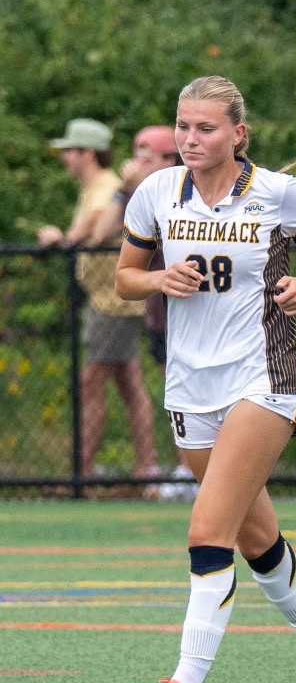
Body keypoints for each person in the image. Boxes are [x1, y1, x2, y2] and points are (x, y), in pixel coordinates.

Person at [121, 77, 296, 683]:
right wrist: (156, 278)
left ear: (238, 134)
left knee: (207, 529)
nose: (190, 139)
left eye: (206, 128)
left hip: (263, 376)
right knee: (256, 536)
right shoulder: (156, 193)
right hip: (189, 383)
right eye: (183, 126)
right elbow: (122, 277)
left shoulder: (277, 191)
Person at [38, 117, 162, 485]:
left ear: (87, 153)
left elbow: (89, 233)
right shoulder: (93, 188)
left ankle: (83, 472)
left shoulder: (106, 186)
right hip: (107, 298)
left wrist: (59, 237)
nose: (65, 158)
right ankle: (145, 468)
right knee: (128, 383)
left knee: (92, 380)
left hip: (114, 300)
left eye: (70, 151)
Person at [90, 127, 187, 496]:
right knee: (173, 388)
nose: (136, 164)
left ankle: (192, 473)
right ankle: (183, 470)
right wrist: (123, 189)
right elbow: (101, 234)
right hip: (159, 311)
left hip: (191, 310)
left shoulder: (178, 194)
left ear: (168, 161)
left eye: (147, 157)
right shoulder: (139, 196)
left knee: (196, 393)